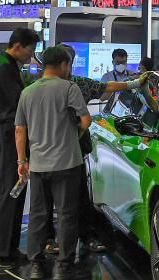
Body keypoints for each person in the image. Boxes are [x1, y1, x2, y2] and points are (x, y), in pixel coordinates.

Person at [57, 43, 149, 256]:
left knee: (72, 196)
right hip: (68, 151)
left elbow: (106, 87)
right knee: (69, 196)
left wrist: (135, 82)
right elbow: (89, 114)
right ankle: (63, 242)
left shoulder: (47, 87)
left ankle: (64, 241)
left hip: (55, 153)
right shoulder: (74, 85)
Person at [15, 45, 92, 280]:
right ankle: (63, 266)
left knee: (38, 214)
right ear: (63, 65)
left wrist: (22, 160)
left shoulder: (27, 92)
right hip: (67, 163)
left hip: (38, 165)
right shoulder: (69, 88)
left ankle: (36, 265)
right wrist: (75, 135)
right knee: (67, 215)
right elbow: (85, 120)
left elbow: (19, 130)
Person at [0, 27, 40, 269]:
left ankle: (9, 248)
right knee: (8, 191)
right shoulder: (3, 68)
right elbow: (19, 104)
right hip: (8, 134)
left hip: (12, 132)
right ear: (17, 46)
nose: (31, 55)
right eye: (30, 50)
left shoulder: (8, 65)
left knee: (17, 190)